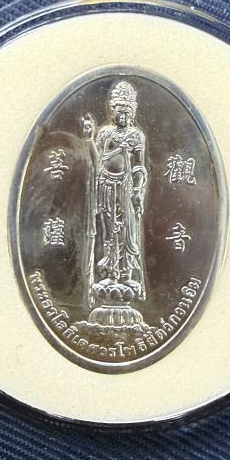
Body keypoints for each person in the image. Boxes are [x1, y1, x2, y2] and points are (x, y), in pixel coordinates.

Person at [82, 80, 148, 308]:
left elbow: (139, 166)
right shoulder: (106, 133)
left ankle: (127, 274)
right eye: (119, 111)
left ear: (132, 113)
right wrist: (89, 139)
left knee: (128, 231)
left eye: (127, 112)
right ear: (113, 112)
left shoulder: (136, 136)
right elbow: (97, 160)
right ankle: (110, 273)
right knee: (109, 231)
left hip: (127, 188)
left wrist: (138, 190)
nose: (123, 116)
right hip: (107, 186)